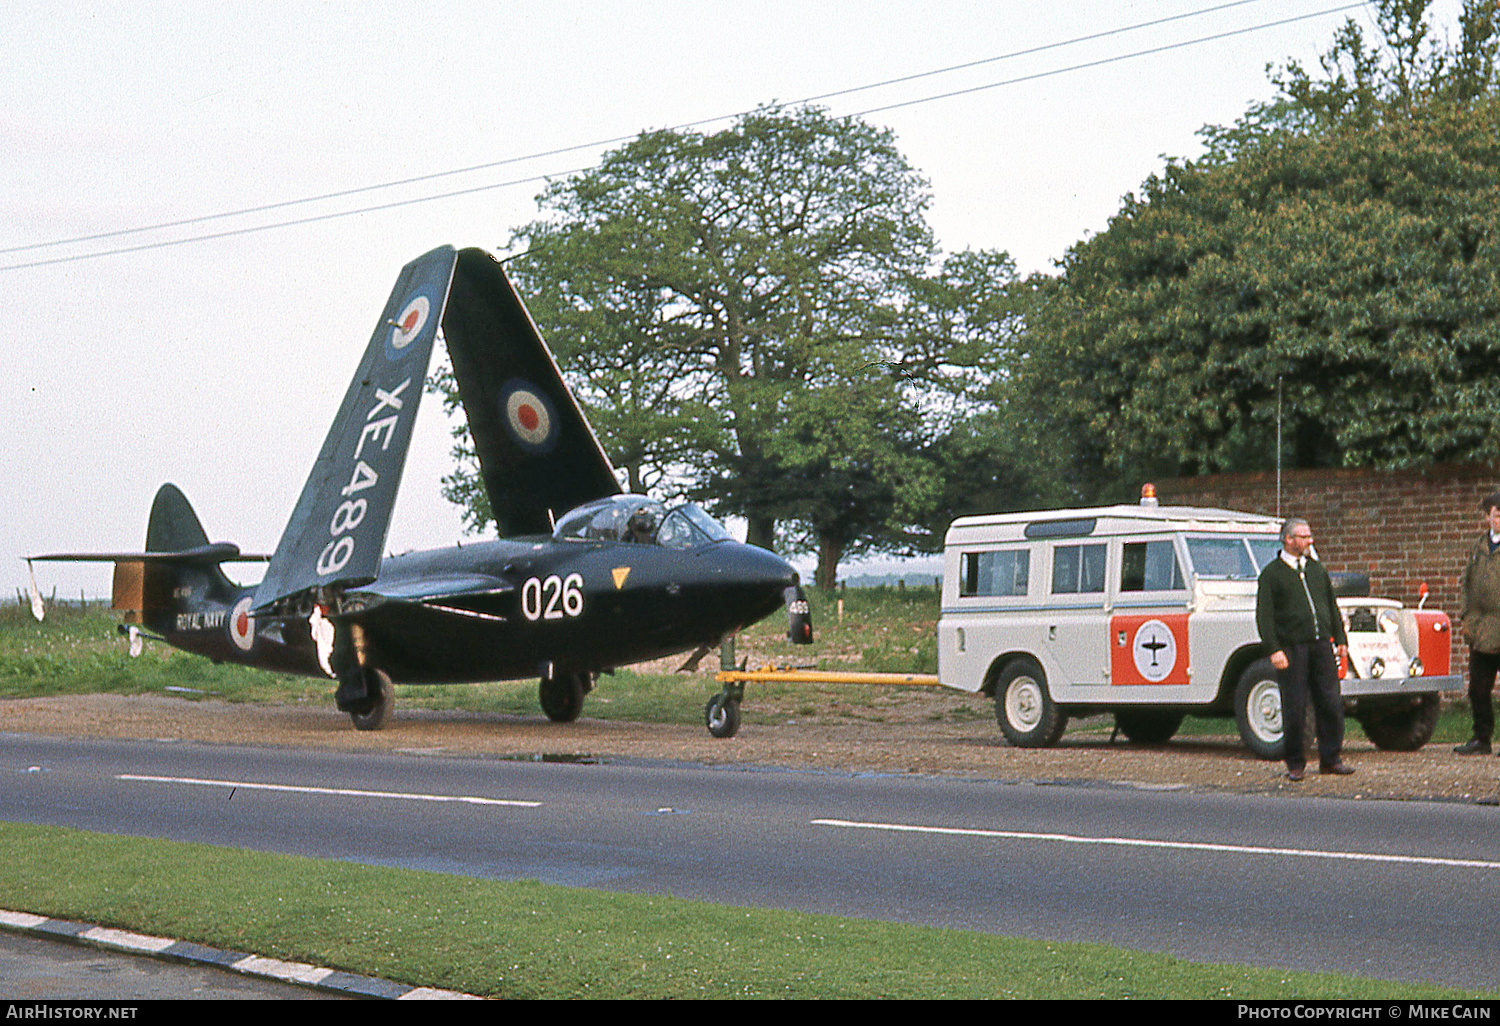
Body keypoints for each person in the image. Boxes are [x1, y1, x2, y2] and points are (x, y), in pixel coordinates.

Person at [1256, 517, 1353, 780]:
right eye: (1305, 537)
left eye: (1310, 536)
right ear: (1289, 540)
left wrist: (1340, 639)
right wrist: (1274, 649)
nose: (1310, 541)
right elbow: (1264, 617)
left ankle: (1331, 758)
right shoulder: (1272, 575)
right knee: (1295, 706)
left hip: (1321, 646)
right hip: (1292, 648)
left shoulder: (1317, 570)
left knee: (1331, 702)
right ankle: (1296, 763)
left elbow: (1331, 606)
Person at [1455, 491, 1500, 756]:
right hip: (1482, 630)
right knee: (1478, 689)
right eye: (1496, 515)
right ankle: (1481, 739)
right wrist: (1466, 618)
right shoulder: (1478, 547)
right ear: (1487, 517)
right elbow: (1467, 585)